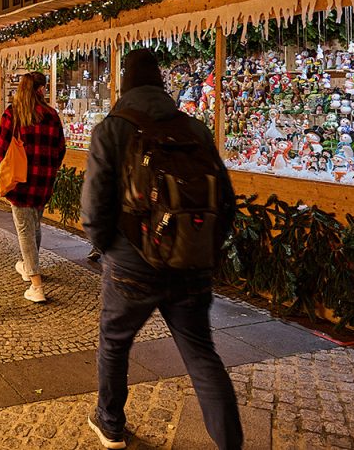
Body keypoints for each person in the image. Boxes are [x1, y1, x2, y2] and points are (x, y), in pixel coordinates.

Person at [81, 49, 241, 450]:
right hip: (190, 262)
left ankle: (111, 423)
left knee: (115, 343)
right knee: (202, 355)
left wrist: (111, 249)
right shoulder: (195, 130)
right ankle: (231, 444)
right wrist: (201, 247)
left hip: (132, 263)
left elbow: (93, 209)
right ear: (161, 83)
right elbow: (226, 201)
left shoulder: (112, 130)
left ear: (125, 84)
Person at [0, 72, 65, 304]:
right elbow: (60, 148)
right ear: (40, 90)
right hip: (43, 181)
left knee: (25, 229)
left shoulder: (13, 115)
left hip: (20, 181)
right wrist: (49, 168)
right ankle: (27, 266)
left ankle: (36, 284)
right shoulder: (52, 116)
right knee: (34, 225)